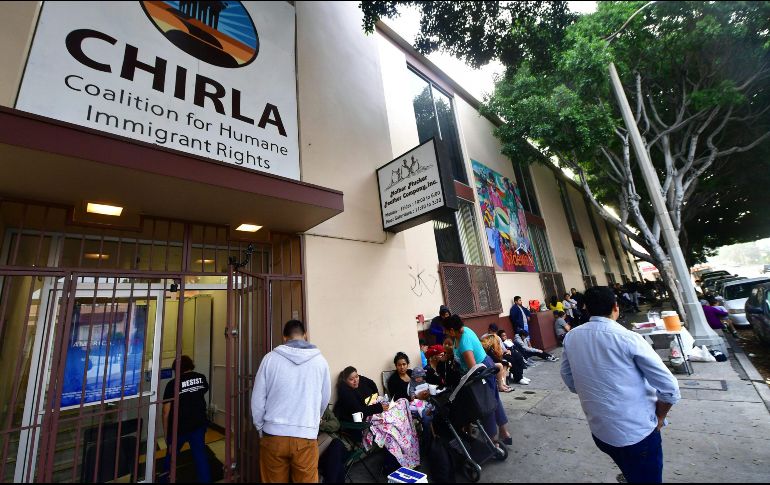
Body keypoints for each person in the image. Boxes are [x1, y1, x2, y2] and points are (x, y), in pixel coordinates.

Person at [560, 286, 681, 483]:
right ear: (616, 307)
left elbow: (569, 379)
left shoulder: (572, 336)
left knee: (630, 468)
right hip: (636, 435)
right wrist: (660, 416)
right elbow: (670, 388)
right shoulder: (628, 338)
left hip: (601, 433)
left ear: (585, 309)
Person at [251, 320, 331, 483]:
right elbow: (324, 399)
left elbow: (257, 399)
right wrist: (314, 421)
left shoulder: (270, 359)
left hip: (273, 436)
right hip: (305, 436)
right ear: (305, 335)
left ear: (284, 337)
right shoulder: (320, 362)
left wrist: (260, 427)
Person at [442, 314, 513, 445]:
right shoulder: (463, 331)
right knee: (493, 398)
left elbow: (473, 368)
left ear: (452, 330)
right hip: (485, 366)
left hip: (481, 372)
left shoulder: (464, 343)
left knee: (486, 404)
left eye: (446, 330)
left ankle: (493, 439)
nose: (445, 332)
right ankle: (504, 433)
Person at [162, 355, 211, 483]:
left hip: (178, 428)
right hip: (198, 424)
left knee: (170, 457)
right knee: (200, 457)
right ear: (190, 365)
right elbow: (202, 392)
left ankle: (165, 479)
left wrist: (167, 434)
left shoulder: (172, 384)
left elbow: (166, 412)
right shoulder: (201, 378)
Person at [318, 406, 348, 484]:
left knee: (336, 445)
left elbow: (336, 424)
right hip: (317, 453)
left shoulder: (321, 407)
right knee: (336, 463)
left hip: (332, 445)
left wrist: (321, 423)